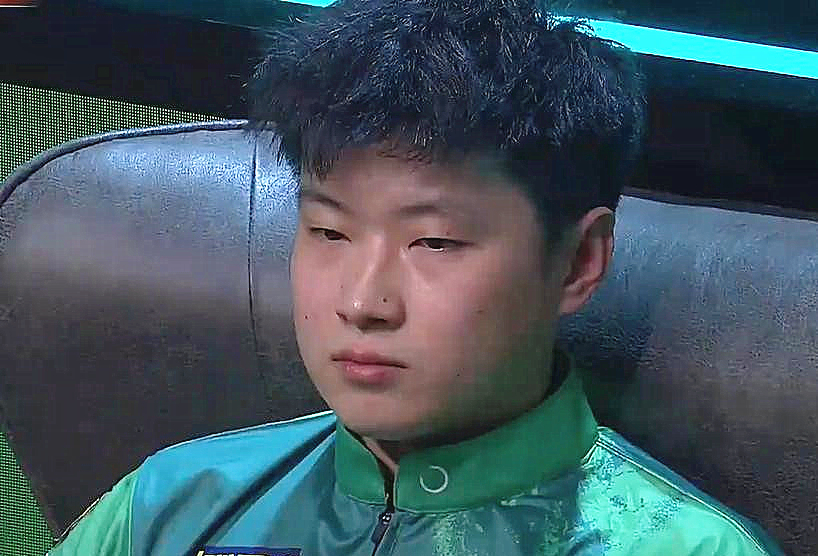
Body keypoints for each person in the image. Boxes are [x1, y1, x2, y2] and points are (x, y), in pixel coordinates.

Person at [48, 0, 787, 554]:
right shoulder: (172, 507)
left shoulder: (680, 547)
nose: (362, 301)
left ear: (578, 261)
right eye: (329, 231)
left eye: (434, 241)